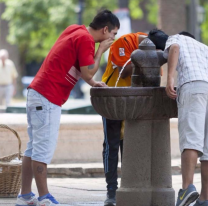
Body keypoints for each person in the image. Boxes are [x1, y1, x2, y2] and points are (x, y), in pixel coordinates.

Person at [16, 10, 120, 206]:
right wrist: (100, 52)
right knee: (42, 149)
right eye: (113, 33)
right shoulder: (86, 40)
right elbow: (88, 73)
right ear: (105, 30)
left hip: (37, 93)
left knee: (33, 148)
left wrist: (93, 82)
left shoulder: (75, 30)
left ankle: (25, 196)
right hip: (48, 96)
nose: (113, 38)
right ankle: (44, 197)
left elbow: (85, 74)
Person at [148, 28, 208, 206]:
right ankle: (205, 198)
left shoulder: (175, 39)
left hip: (192, 86)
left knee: (190, 140)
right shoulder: (202, 46)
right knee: (206, 148)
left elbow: (174, 48)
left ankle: (186, 189)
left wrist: (170, 79)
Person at [101, 31, 148, 206]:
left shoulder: (146, 46)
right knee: (111, 145)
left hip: (131, 101)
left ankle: (127, 187)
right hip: (112, 98)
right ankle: (111, 191)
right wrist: (144, 59)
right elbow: (125, 70)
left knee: (128, 145)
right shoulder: (123, 43)